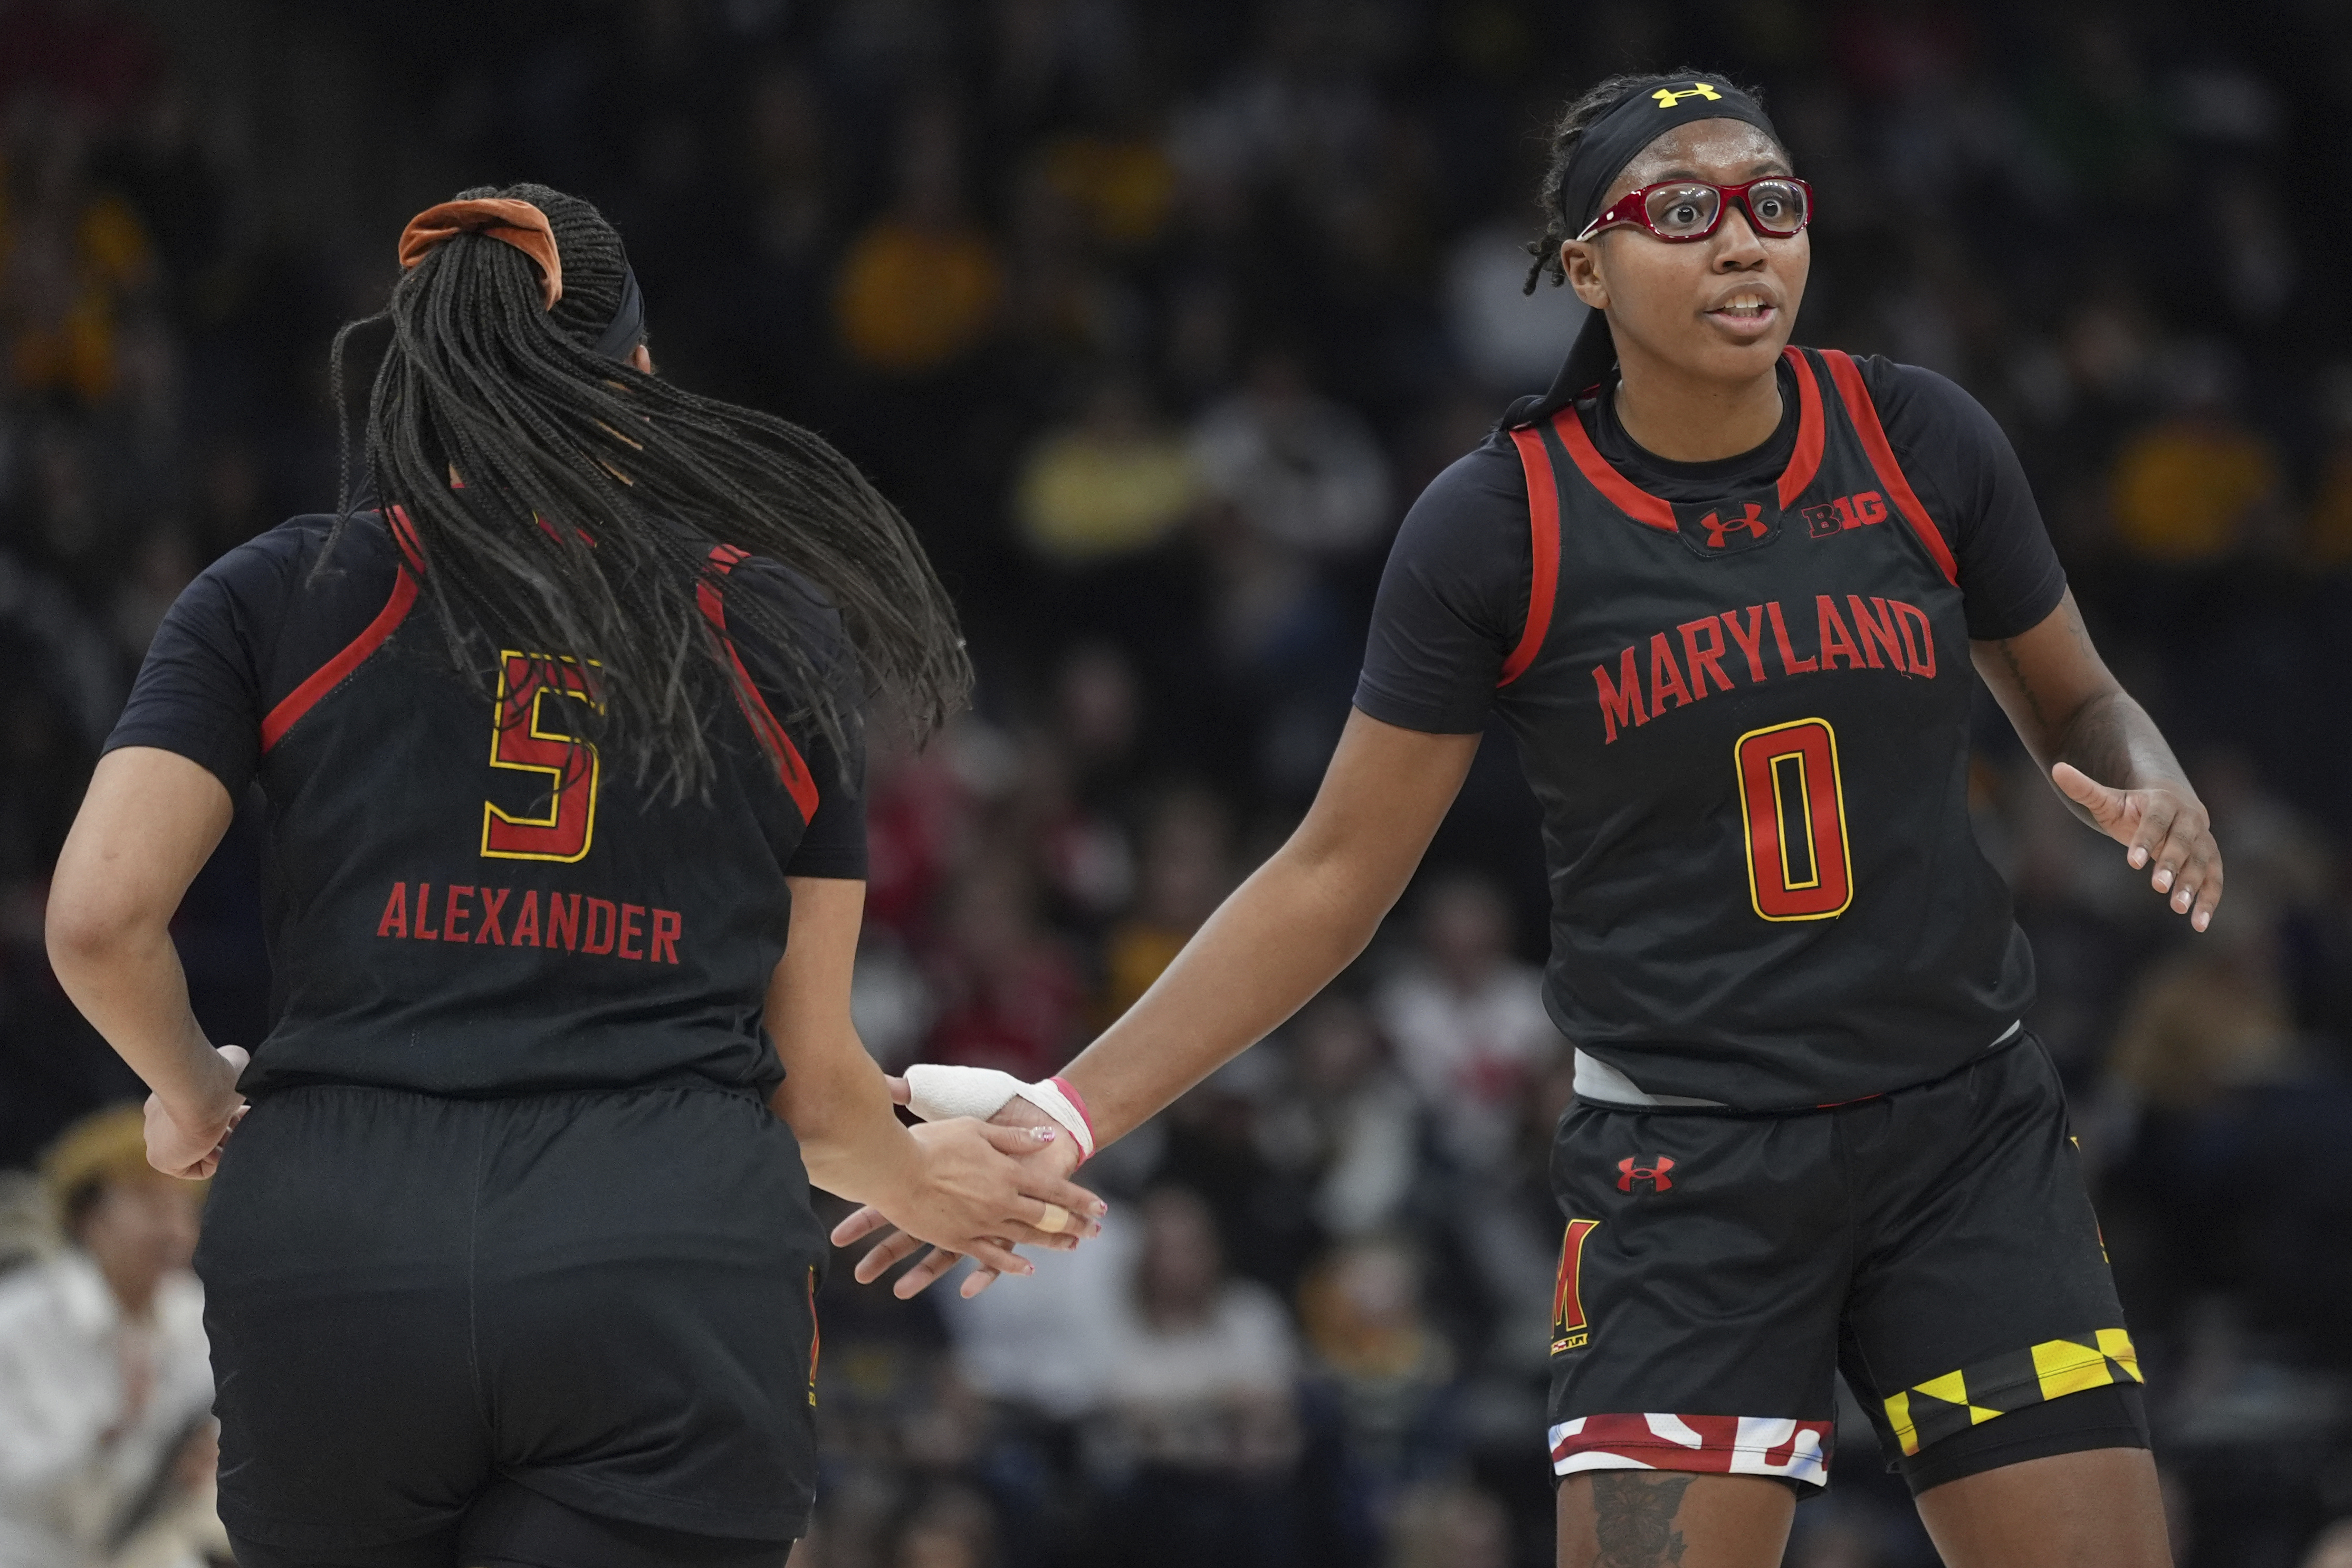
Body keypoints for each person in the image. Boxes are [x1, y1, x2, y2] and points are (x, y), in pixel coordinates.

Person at [843, 73, 2221, 1568]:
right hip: (1684, 1180)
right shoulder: (1497, 524)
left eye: (1771, 202)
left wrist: (2156, 777)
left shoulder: (1915, 434)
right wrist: (1068, 1109)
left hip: (1967, 1136)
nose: (1742, 241)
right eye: (1681, 211)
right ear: (1585, 265)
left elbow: (2081, 701)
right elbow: (1331, 874)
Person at [43, 185, 1104, 1568]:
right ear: (642, 377)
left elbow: (99, 919)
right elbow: (811, 1083)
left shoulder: (277, 589)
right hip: (657, 1260)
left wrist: (194, 1091)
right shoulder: (770, 626)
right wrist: (913, 1174)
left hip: (334, 1254)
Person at [0, 1106, 219, 1568]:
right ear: (89, 1218)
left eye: (185, 1208)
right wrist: (109, 1441)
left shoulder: (202, 1316)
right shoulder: (16, 1323)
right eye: (151, 1204)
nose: (174, 1229)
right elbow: (13, 1490)